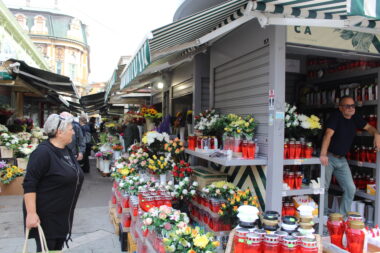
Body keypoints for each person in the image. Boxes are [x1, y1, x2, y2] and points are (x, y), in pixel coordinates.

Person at [23, 114, 84, 252]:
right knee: (47, 248)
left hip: (62, 214)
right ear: (59, 132)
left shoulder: (66, 150)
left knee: (56, 248)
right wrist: (31, 213)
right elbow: (29, 184)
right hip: (47, 216)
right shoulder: (42, 153)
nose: (73, 132)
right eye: (71, 129)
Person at [320, 96, 380, 215]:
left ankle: (342, 218)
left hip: (342, 159)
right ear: (340, 108)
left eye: (353, 106)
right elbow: (328, 135)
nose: (351, 108)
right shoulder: (336, 117)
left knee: (350, 188)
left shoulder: (355, 117)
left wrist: (377, 134)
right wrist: (323, 154)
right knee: (324, 188)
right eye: (347, 106)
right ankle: (323, 217)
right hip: (329, 157)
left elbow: (369, 128)